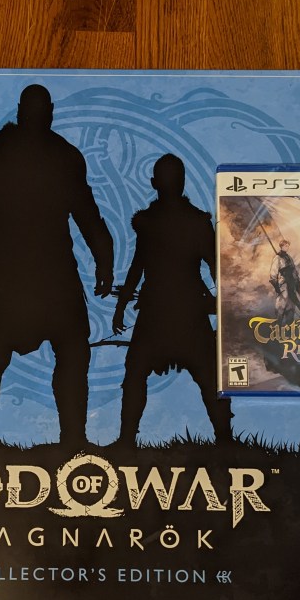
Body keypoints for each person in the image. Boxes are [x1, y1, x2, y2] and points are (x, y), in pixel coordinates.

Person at [0, 84, 114, 446]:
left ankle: (69, 438)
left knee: (58, 351)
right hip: (23, 272)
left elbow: (88, 216)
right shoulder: (49, 156)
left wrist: (105, 263)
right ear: (42, 112)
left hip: (36, 272)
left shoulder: (41, 156)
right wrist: (104, 263)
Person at [112, 154, 232, 445]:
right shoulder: (195, 222)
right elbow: (216, 268)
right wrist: (226, 305)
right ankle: (225, 439)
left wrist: (121, 306)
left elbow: (137, 268)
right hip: (186, 311)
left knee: (137, 373)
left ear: (154, 183)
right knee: (208, 377)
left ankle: (127, 440)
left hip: (160, 312)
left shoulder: (151, 223)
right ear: (182, 183)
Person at [269, 238, 300, 324]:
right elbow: (273, 273)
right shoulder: (277, 257)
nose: (287, 247)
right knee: (281, 306)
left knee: (291, 307)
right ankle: (278, 325)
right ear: (282, 246)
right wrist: (276, 287)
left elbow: (294, 271)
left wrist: (297, 284)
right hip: (283, 285)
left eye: (288, 246)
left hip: (291, 283)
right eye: (285, 246)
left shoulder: (289, 257)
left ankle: (289, 326)